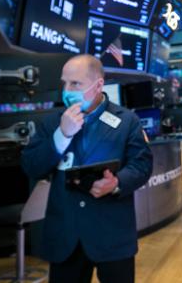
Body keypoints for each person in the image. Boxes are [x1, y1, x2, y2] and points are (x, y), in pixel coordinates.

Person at [21, 54, 153, 283]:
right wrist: (61, 136)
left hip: (112, 236)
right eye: (64, 82)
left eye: (75, 84)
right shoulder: (52, 122)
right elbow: (32, 166)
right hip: (65, 237)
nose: (67, 89)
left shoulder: (126, 121)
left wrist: (117, 182)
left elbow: (142, 165)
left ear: (98, 85)